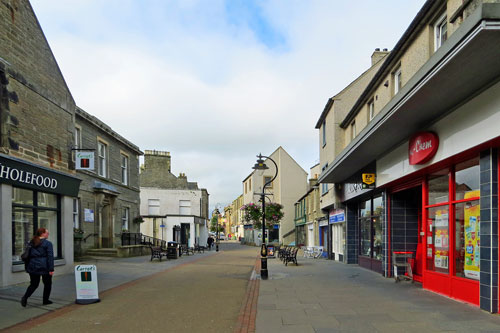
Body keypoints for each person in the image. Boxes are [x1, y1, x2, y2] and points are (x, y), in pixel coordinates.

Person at [21, 228, 54, 307]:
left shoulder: (31, 242)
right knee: (47, 284)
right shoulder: (47, 243)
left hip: (32, 266)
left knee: (34, 284)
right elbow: (50, 257)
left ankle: (25, 297)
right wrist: (51, 269)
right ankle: (45, 300)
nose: (48, 234)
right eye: (47, 233)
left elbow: (27, 255)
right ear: (42, 234)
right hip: (44, 266)